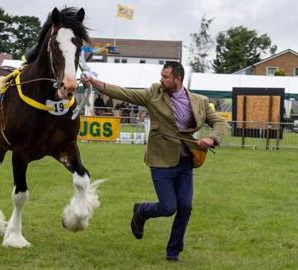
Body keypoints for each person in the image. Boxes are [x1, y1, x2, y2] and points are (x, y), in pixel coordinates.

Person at [82, 61, 227, 262]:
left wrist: (211, 138)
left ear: (178, 79)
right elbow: (125, 93)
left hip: (186, 161)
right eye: (161, 75)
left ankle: (173, 252)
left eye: (166, 76)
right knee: (168, 207)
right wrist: (97, 83)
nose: (161, 79)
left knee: (185, 207)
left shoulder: (200, 101)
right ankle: (141, 211)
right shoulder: (153, 94)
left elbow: (220, 122)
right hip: (160, 159)